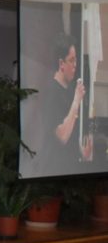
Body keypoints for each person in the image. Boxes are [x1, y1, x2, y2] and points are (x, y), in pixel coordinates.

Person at [42, 36, 92, 172]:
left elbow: (72, 133)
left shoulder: (69, 90)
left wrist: (82, 152)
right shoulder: (51, 92)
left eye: (76, 60)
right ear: (61, 64)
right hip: (55, 171)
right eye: (71, 60)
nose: (75, 65)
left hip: (71, 168)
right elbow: (62, 136)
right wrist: (76, 101)